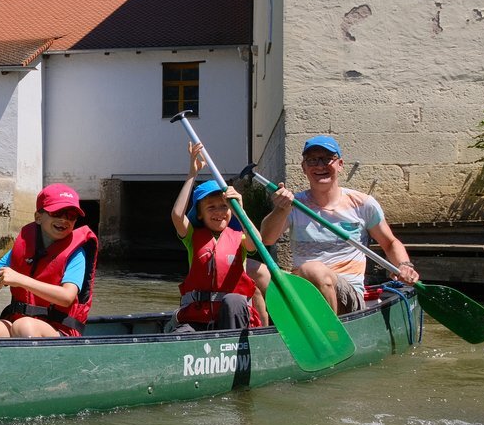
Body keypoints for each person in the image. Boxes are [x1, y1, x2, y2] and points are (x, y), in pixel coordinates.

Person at [260, 134, 419, 314]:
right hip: (302, 289)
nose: (320, 166)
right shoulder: (293, 205)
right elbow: (266, 239)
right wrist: (281, 209)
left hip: (349, 294)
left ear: (340, 165)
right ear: (304, 168)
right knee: (256, 270)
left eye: (327, 159)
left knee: (313, 269)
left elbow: (390, 243)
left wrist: (405, 265)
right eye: (312, 160)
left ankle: (332, 332)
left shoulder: (363, 204)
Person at [0, 183, 98, 338]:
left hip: (59, 329)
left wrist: (20, 280)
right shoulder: (23, 248)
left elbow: (66, 297)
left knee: (25, 326)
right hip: (20, 323)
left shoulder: (76, 254)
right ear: (38, 217)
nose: (64, 219)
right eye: (57, 213)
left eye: (71, 215)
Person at [170, 142, 267, 331]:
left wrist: (240, 209)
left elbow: (257, 243)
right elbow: (176, 215)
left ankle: (232, 349)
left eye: (224, 206)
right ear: (200, 214)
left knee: (233, 300)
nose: (219, 212)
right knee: (182, 333)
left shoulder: (239, 237)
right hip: (198, 316)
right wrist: (192, 174)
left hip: (232, 318)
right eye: (211, 207)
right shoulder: (192, 236)